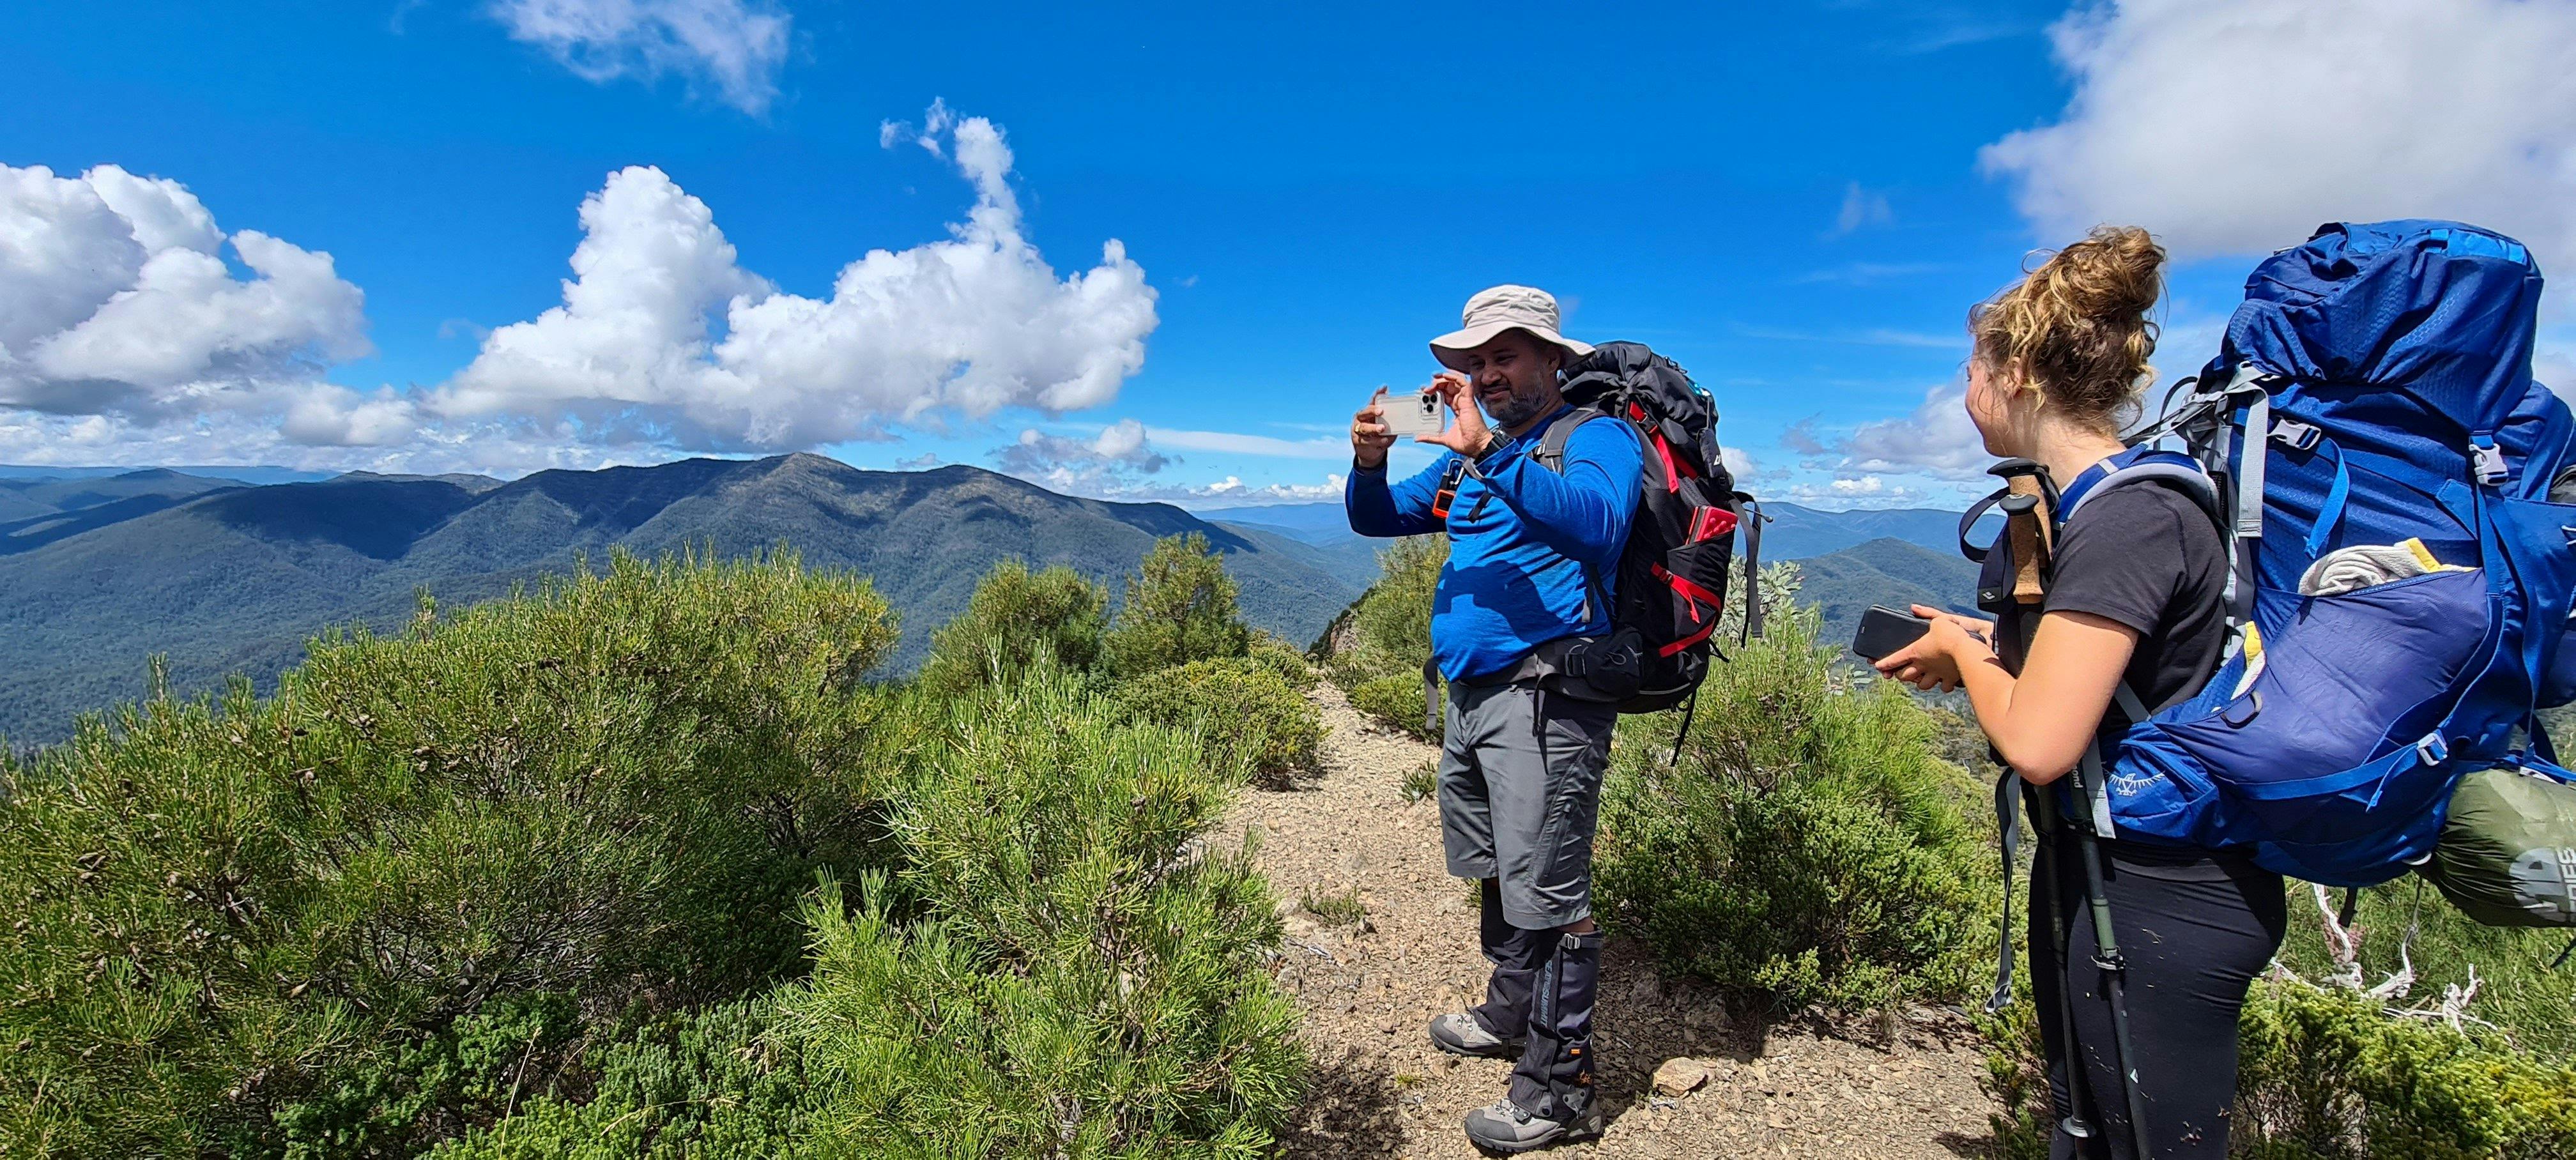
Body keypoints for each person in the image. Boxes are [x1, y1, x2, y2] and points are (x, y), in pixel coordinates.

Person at [1873, 227, 2287, 1159]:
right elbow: (2116, 677)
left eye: (1970, 371)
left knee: (2145, 1143)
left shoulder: (2131, 517)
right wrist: (1980, 644)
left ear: (2015, 372)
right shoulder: (2114, 504)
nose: (1963, 395)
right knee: (2092, 1129)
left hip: (2162, 893)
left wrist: (1964, 653)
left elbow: (2040, 742)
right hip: (2116, 870)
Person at [1345, 284, 1641, 1152]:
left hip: (1546, 699)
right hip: (1474, 700)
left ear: (1553, 360)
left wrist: (1492, 455)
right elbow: (1379, 520)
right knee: (1504, 874)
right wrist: (1369, 460)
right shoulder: (1475, 459)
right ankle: (1513, 1012)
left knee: (1551, 891)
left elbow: (1599, 523)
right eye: (1476, 361)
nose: (1485, 373)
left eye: (1503, 356)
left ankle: (1559, 1089)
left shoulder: (1594, 438)